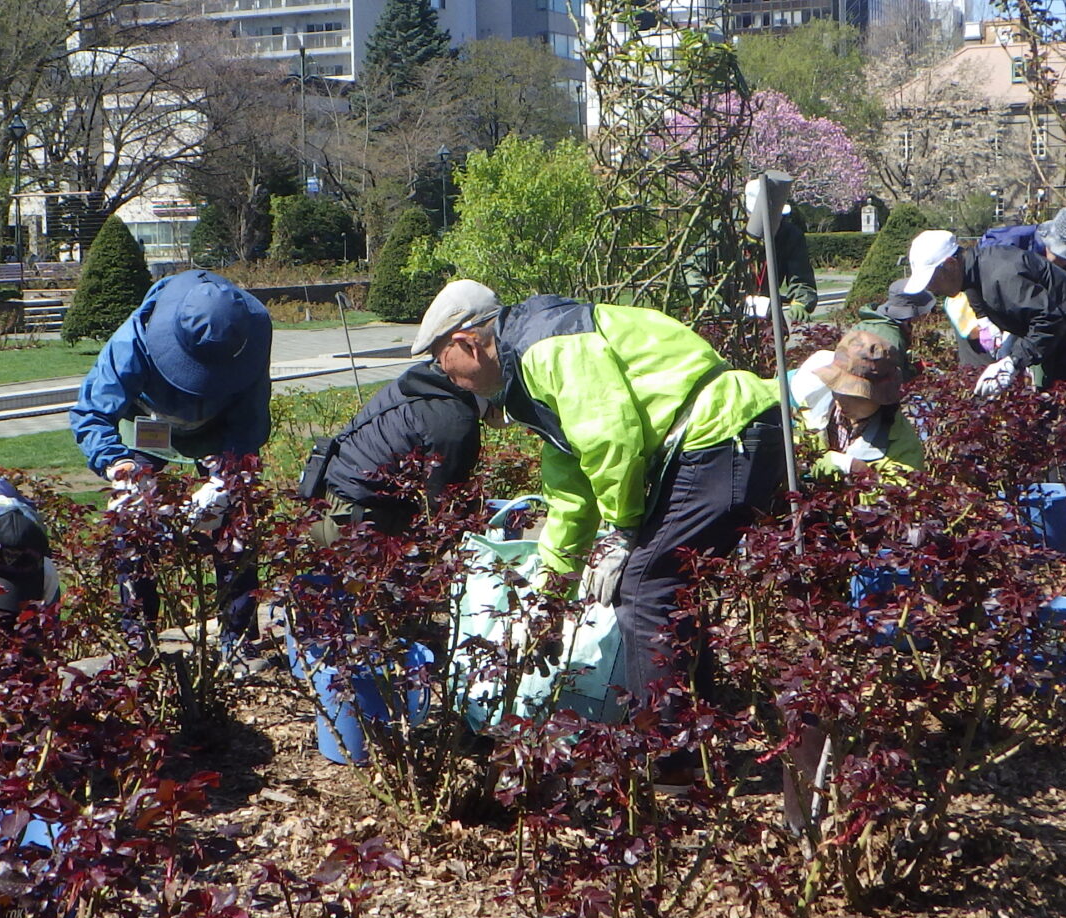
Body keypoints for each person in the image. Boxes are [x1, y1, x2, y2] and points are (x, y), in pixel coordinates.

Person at [411, 281, 787, 696]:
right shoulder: (533, 367)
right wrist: (548, 602)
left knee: (644, 590)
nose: (450, 377)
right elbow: (571, 498)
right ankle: (699, 718)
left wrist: (622, 530)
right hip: (728, 432)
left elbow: (611, 438)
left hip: (720, 431)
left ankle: (663, 751)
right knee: (669, 586)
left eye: (444, 362)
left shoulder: (548, 344)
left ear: (469, 344)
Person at [70, 269, 273, 651]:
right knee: (133, 525)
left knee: (238, 526)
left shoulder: (250, 330)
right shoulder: (133, 340)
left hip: (218, 430)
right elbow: (92, 412)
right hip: (148, 428)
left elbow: (251, 416)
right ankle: (139, 638)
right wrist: (118, 467)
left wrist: (227, 479)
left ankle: (239, 639)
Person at [877, 226, 1066, 396]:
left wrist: (1013, 361)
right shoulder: (972, 274)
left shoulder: (1000, 275)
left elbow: (1049, 319)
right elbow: (984, 301)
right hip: (1060, 334)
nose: (931, 287)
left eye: (932, 278)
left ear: (951, 263)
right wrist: (995, 330)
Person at [304, 344, 484, 534]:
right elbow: (444, 506)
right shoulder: (455, 419)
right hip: (353, 520)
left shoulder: (420, 382)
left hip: (322, 505)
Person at [787, 329, 924, 481]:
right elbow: (794, 458)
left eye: (853, 395)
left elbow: (903, 495)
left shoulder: (903, 446)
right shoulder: (812, 410)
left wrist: (862, 474)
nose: (840, 400)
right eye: (836, 389)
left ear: (880, 398)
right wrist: (829, 464)